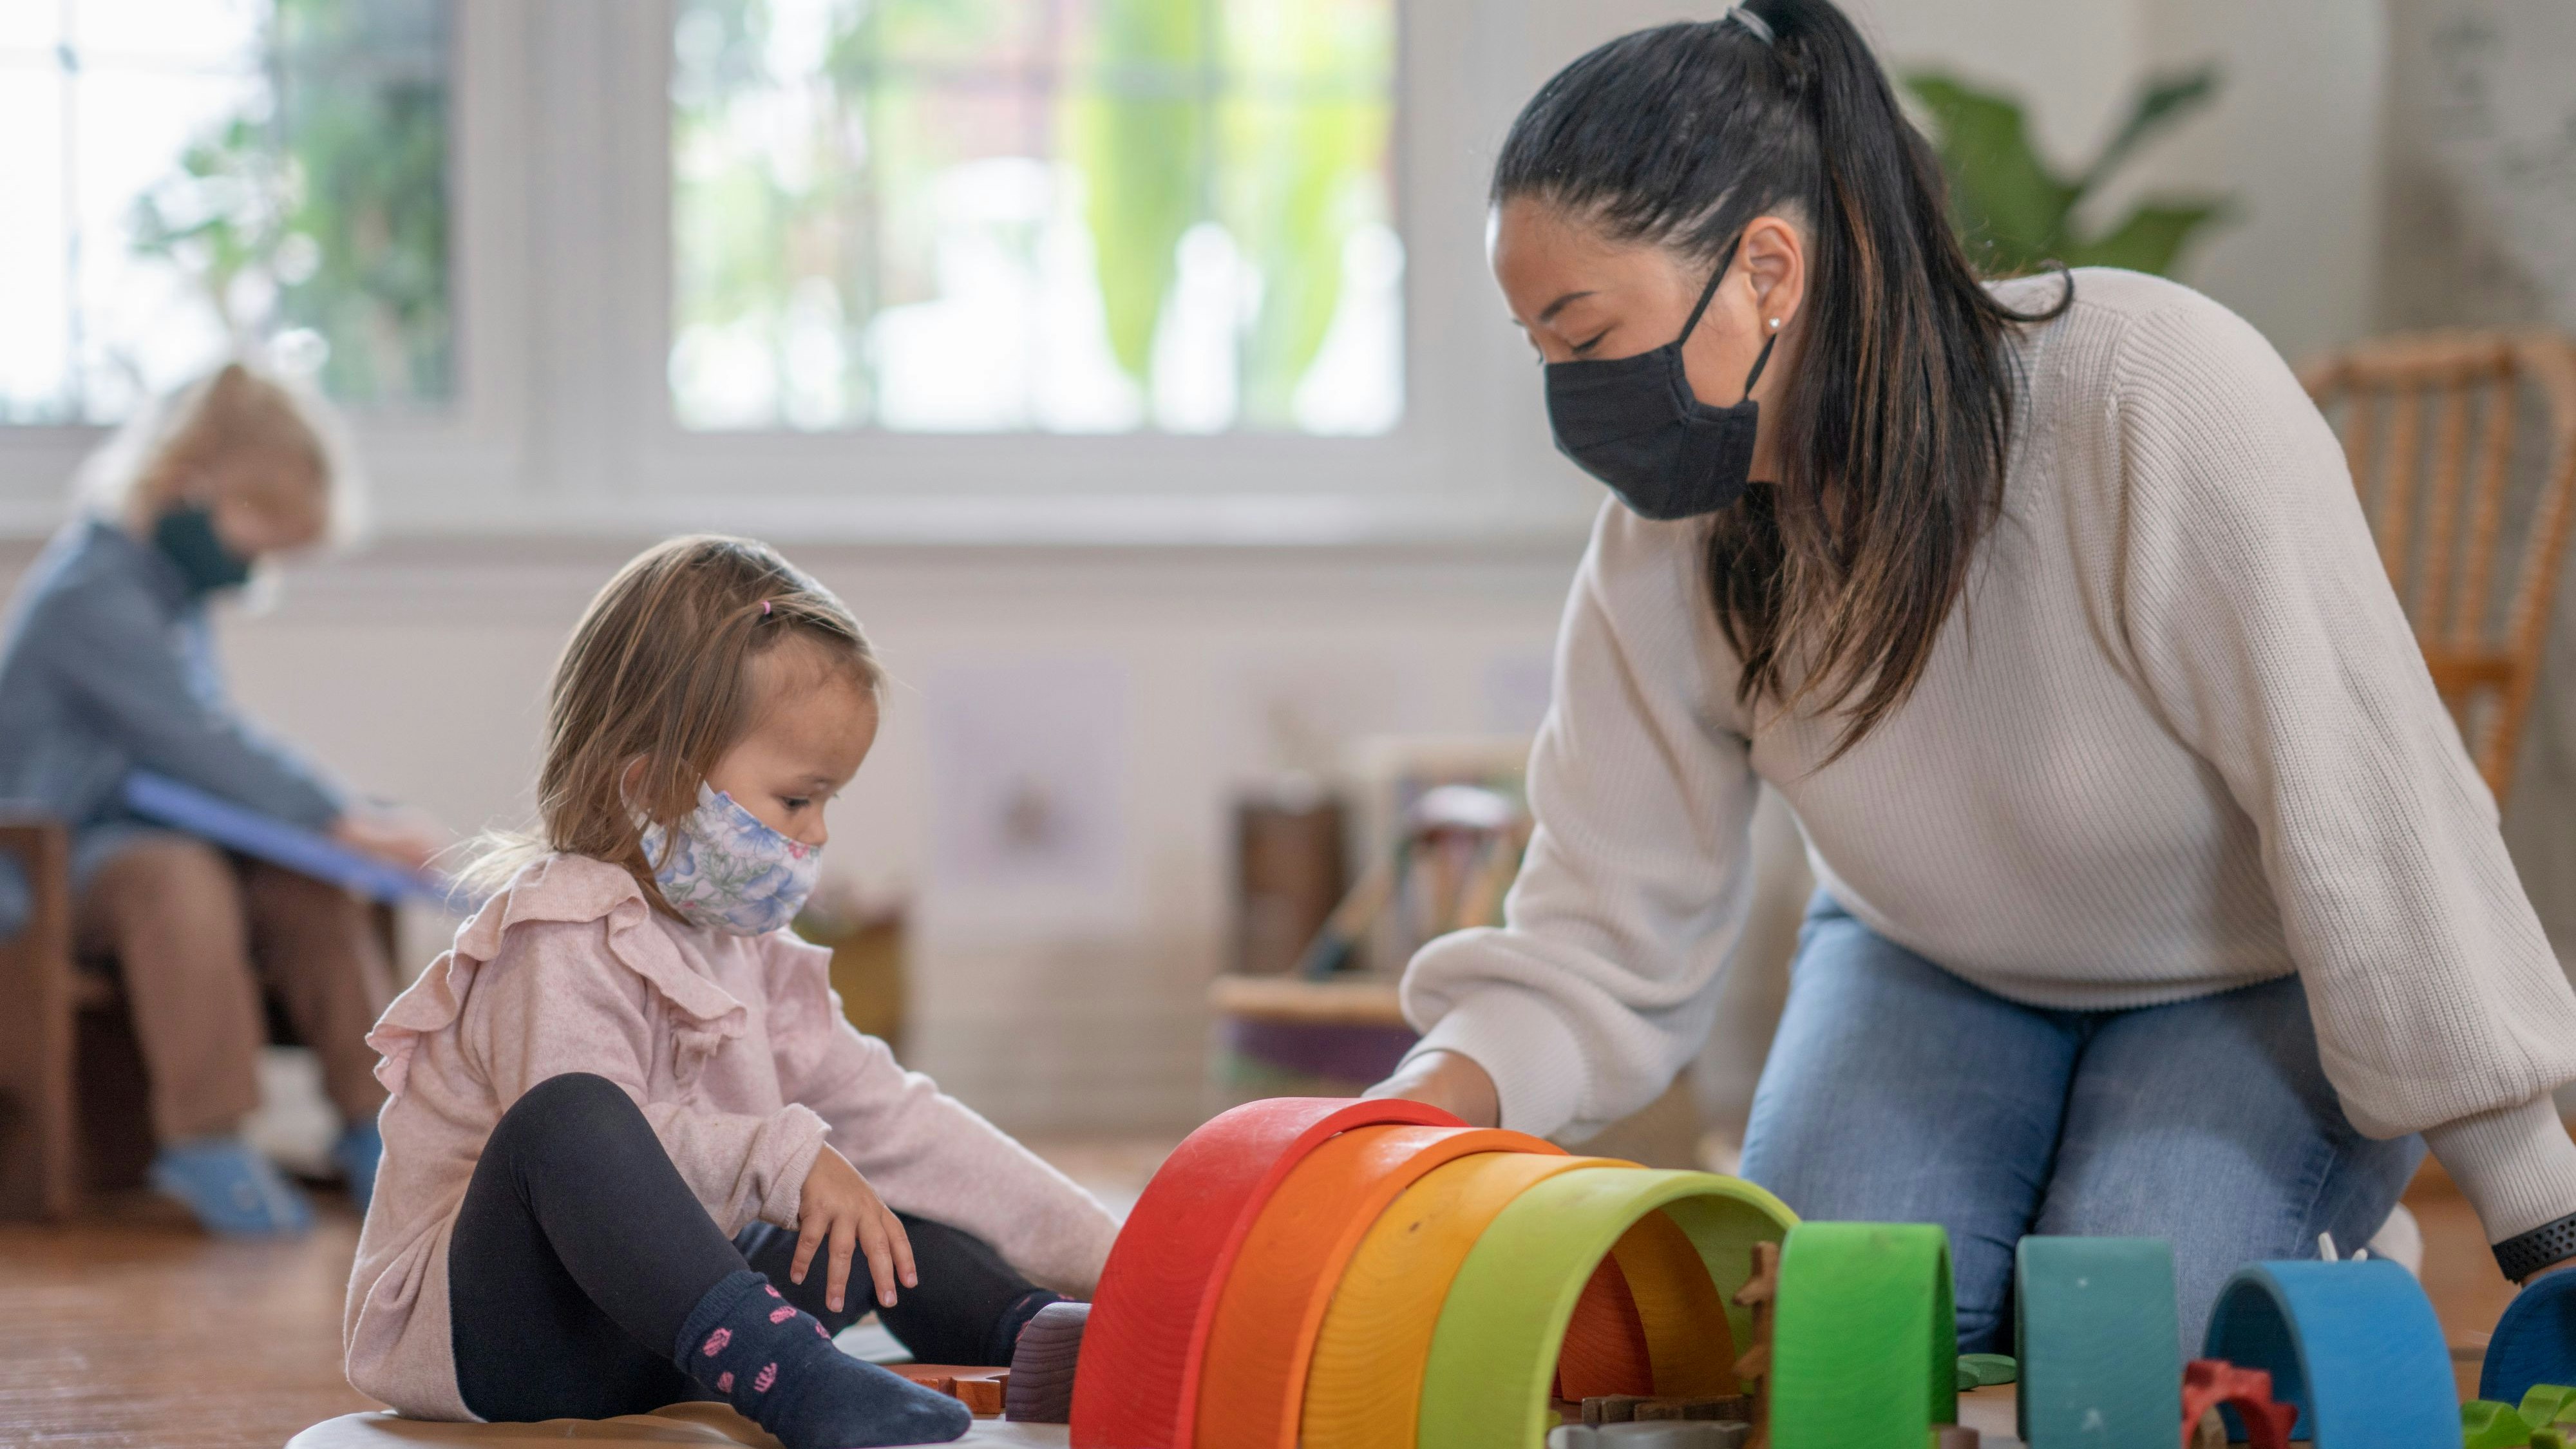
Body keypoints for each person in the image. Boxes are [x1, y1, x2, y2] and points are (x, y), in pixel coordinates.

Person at [1367, 0, 2576, 1350]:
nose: (1569, 400)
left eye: (1586, 340)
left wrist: (2541, 1211)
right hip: (1920, 965)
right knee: (1829, 1345)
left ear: (1768, 269)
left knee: (2126, 1345)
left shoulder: (2145, 393)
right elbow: (1600, 919)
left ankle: (2325, 1265)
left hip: (2242, 984)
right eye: (1540, 353)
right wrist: (1412, 1106)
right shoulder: (1668, 544)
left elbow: (2364, 806)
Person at [344, 536, 1116, 1447]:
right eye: (798, 799)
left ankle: (1043, 1340)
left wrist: (1120, 1258)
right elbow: (587, 1176)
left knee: (877, 1198)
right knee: (570, 1118)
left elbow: (903, 1123)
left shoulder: (750, 950)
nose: (819, 830)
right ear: (657, 786)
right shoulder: (552, 935)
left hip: (668, 1335)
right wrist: (782, 1158)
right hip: (504, 1341)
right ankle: (796, 1382)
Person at [0, 361, 445, 1235]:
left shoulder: (171, 599)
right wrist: (343, 814)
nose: (257, 561)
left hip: (153, 839)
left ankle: (377, 1125)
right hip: (56, 860)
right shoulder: (94, 592)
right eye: (258, 531)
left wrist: (333, 830)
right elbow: (196, 742)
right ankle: (205, 1136)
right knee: (177, 877)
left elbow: (207, 751)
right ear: (189, 482)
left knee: (307, 886)